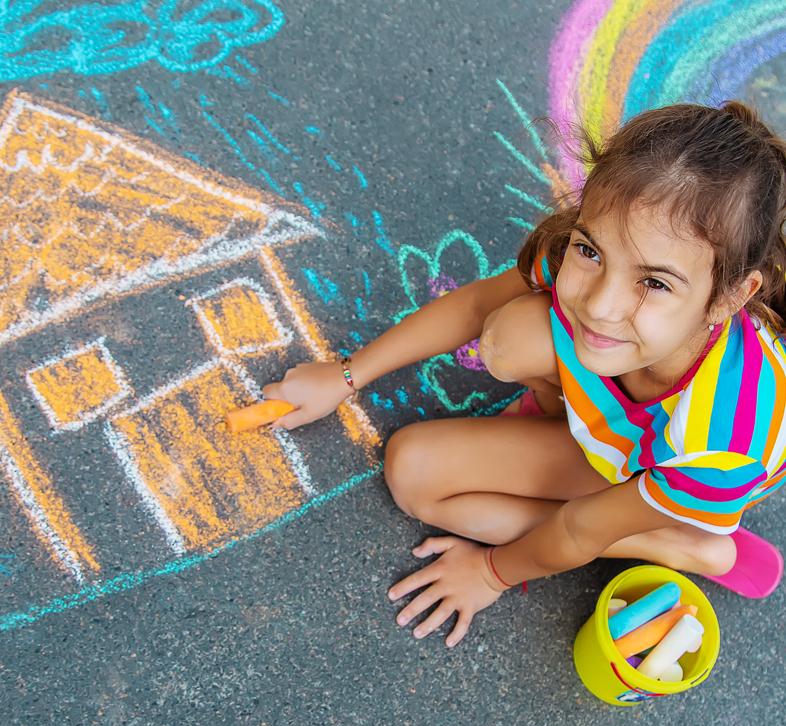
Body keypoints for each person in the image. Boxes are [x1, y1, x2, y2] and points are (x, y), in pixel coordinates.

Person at [262, 99, 786, 648]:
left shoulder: (724, 444)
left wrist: (491, 573)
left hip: (660, 473)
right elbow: (475, 307)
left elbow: (580, 529)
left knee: (415, 474)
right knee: (511, 337)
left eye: (654, 283)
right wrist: (345, 375)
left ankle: (684, 544)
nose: (600, 304)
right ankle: (568, 422)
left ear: (731, 297)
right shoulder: (582, 260)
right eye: (591, 251)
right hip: (629, 415)